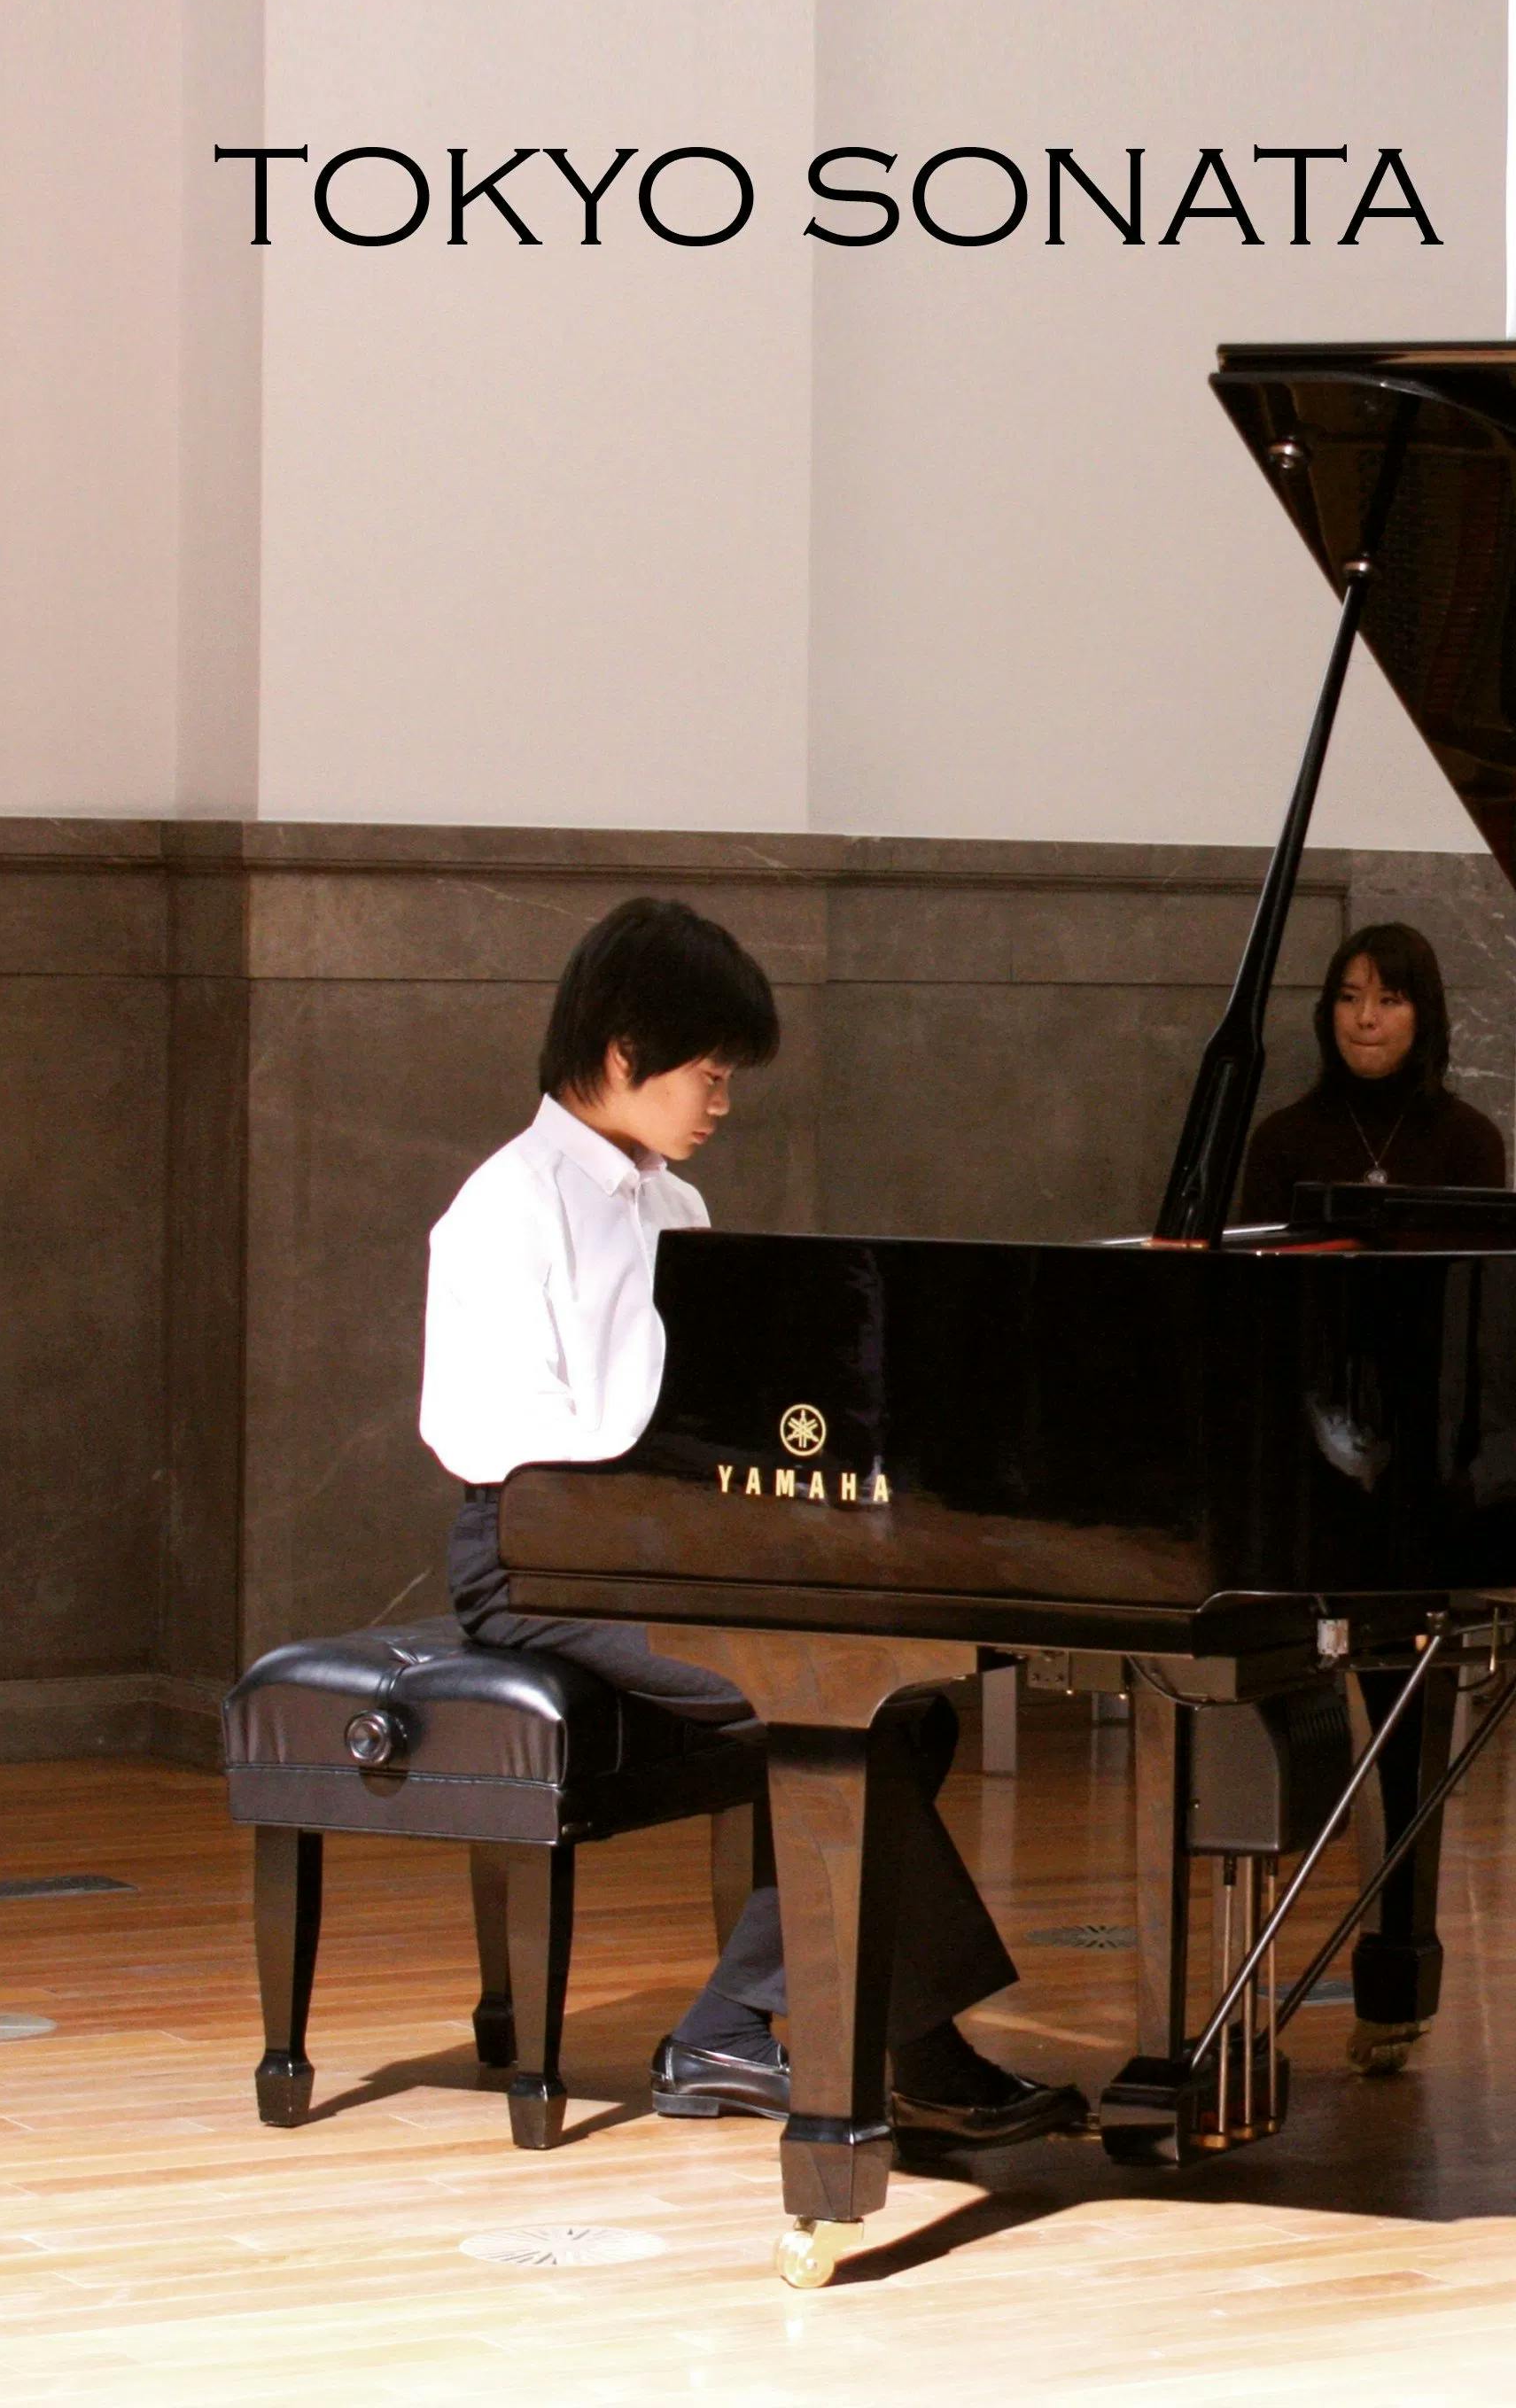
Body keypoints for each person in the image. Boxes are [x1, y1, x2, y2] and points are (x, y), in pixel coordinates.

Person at [420, 896, 1085, 2148]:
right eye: (710, 1072)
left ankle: (731, 2024)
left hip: (664, 1554)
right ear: (625, 1052)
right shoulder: (504, 1209)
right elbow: (504, 1443)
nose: (722, 1101)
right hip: (537, 1563)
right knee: (830, 1700)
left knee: (909, 1702)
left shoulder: (676, 1209)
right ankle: (917, 2052)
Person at [1240, 920, 1506, 1221]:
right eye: (1349, 998)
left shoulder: (1472, 1141)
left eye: (1389, 1000)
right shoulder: (1280, 1140)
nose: (1365, 1018)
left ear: (1424, 1015)